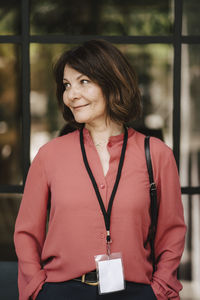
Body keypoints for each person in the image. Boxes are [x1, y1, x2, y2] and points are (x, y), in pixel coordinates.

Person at [14, 39, 186, 300]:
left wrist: (159, 291)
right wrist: (38, 289)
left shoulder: (158, 155)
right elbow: (27, 234)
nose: (72, 94)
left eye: (83, 82)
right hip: (61, 291)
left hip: (136, 292)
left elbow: (171, 234)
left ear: (112, 82)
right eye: (67, 85)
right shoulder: (49, 156)